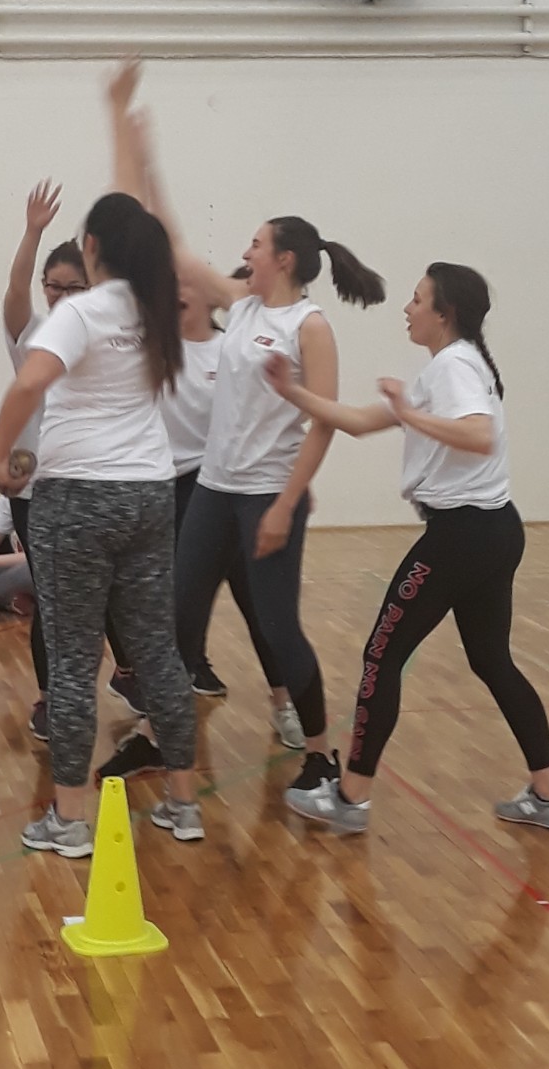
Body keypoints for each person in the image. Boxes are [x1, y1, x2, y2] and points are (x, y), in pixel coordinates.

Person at [112, 63, 386, 797]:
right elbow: (171, 243)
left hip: (267, 494)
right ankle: (155, 736)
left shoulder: (309, 327)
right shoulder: (243, 304)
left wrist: (285, 505)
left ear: (284, 259)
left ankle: (321, 753)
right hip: (213, 489)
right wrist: (146, 156)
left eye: (258, 243)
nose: (248, 249)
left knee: (278, 629)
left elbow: (322, 426)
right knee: (175, 618)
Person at [264, 263, 549, 832]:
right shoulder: (451, 366)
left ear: (443, 313)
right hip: (494, 531)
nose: (407, 309)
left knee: (381, 656)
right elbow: (360, 421)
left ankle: (351, 797)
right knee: (491, 660)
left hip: (463, 536)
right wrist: (291, 391)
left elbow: (480, 435)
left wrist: (409, 413)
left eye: (416, 299)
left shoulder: (454, 366)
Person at [0, 69, 203, 859]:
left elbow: (29, 383)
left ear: (89, 250)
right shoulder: (155, 306)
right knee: (157, 654)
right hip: (149, 495)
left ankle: (71, 821)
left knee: (74, 663)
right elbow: (131, 216)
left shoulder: (80, 312)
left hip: (76, 500)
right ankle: (184, 805)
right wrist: (119, 117)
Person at [95, 273, 305, 782]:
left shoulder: (230, 350)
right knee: (176, 617)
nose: (178, 294)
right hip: (171, 492)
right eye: (172, 288)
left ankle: (286, 703)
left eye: (189, 287)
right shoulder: (152, 352)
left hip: (227, 489)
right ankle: (157, 726)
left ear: (211, 299)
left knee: (260, 606)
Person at [1, 186, 142, 741]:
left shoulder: (105, 333)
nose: (58, 296)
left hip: (90, 487)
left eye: (71, 287)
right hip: (35, 493)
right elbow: (15, 290)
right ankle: (49, 700)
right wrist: (32, 231)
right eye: (52, 286)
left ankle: (127, 672)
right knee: (54, 601)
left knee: (109, 589)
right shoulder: (33, 334)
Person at [0, 495, 35, 612]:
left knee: (26, 571)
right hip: (10, 567)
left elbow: (39, 559)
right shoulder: (9, 497)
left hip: (38, 570)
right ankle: (9, 599)